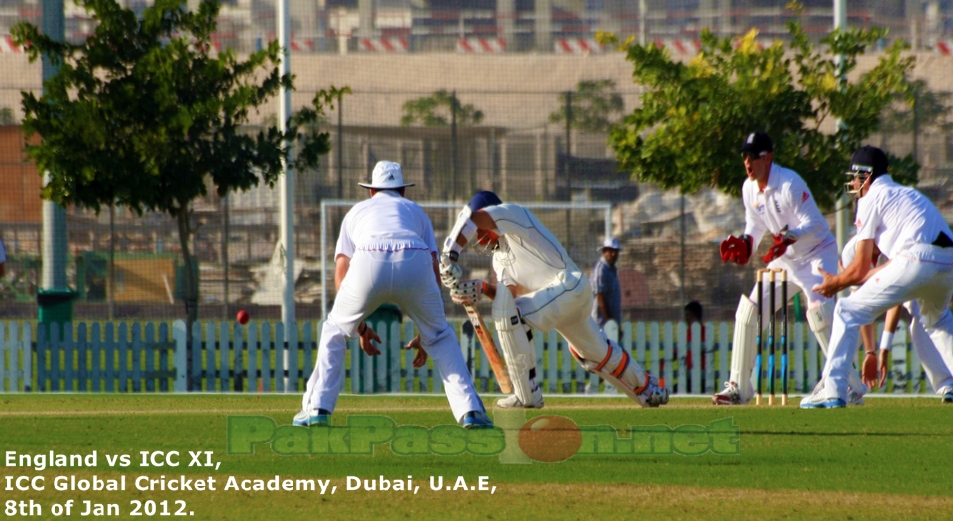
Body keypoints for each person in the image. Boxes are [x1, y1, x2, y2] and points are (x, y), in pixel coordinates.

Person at [295, 161, 492, 427]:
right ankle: (471, 412)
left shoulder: (356, 212)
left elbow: (341, 273)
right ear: (403, 191)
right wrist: (428, 329)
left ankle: (318, 408)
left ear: (371, 191)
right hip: (415, 258)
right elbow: (434, 269)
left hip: (369, 259)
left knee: (334, 330)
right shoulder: (416, 212)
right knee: (442, 337)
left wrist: (357, 326)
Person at [439, 190, 669, 409]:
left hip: (569, 285)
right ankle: (647, 389)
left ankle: (526, 394)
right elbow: (509, 296)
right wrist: (480, 288)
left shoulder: (513, 214)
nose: (478, 239)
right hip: (562, 302)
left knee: (510, 314)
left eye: (479, 232)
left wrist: (449, 255)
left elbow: (473, 218)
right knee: (595, 354)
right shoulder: (499, 260)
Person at [714, 131, 867, 406]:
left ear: (768, 158)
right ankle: (738, 388)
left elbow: (816, 224)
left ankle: (849, 386)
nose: (747, 162)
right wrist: (747, 243)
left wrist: (790, 236)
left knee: (818, 314)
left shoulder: (789, 183)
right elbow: (756, 223)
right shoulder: (749, 188)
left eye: (753, 157)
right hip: (785, 259)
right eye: (744, 157)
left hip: (817, 254)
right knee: (748, 312)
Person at [805, 145, 953, 407]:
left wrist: (834, 283)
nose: (852, 183)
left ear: (866, 175)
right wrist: (878, 348)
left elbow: (860, 269)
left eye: (854, 176)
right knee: (937, 321)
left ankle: (833, 390)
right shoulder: (907, 194)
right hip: (947, 261)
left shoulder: (870, 198)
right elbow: (881, 273)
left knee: (846, 310)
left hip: (916, 259)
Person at [591, 238, 623, 327]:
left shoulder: (612, 269)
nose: (614, 254)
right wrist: (610, 323)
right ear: (604, 251)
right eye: (611, 251)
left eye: (616, 251)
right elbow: (600, 297)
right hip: (601, 324)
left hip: (612, 322)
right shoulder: (601, 270)